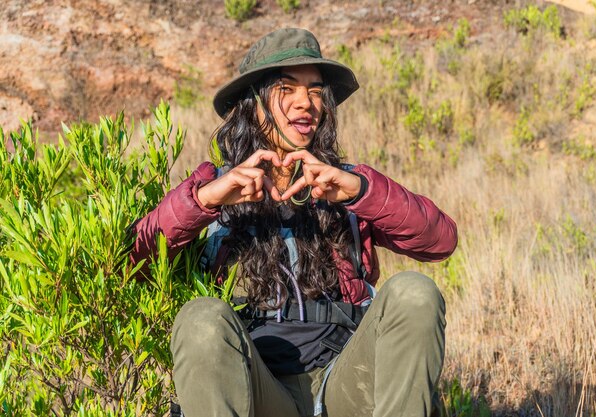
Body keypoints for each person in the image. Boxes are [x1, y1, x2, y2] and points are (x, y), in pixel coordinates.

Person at [131, 28, 457, 417]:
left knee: (414, 292)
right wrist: (204, 201)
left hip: (346, 381)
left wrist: (359, 191)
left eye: (317, 91)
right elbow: (133, 264)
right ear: (252, 103)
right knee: (200, 319)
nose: (306, 103)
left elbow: (439, 241)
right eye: (287, 88)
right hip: (257, 389)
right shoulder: (211, 189)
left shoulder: (348, 184)